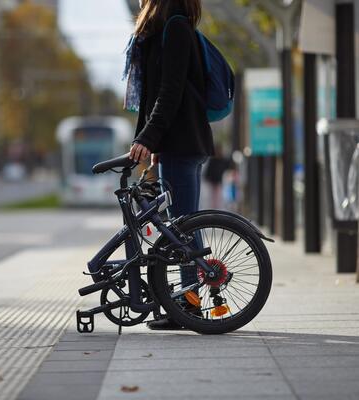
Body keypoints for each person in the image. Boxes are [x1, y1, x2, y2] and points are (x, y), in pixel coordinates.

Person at [125, 0, 214, 330]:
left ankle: (190, 306)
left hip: (181, 142)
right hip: (178, 142)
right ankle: (188, 303)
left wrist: (148, 138)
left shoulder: (175, 27)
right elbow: (150, 97)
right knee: (184, 224)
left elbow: (170, 91)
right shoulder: (167, 29)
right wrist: (143, 141)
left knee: (183, 227)